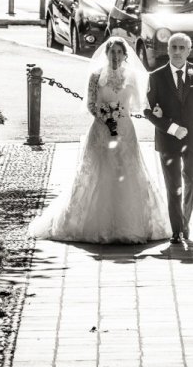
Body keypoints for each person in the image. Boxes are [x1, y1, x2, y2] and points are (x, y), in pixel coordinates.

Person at [28, 37, 172, 244]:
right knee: (100, 172)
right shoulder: (96, 76)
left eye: (119, 52)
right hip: (101, 131)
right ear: (106, 54)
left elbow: (137, 105)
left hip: (125, 130)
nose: (115, 56)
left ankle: (130, 224)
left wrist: (124, 113)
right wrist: (105, 116)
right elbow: (90, 104)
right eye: (111, 52)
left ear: (125, 55)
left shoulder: (131, 76)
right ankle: (95, 224)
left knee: (127, 170)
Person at [144, 33, 193, 244]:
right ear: (167, 50)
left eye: (181, 48)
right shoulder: (156, 76)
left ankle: (185, 219)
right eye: (173, 47)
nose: (177, 52)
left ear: (188, 51)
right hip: (168, 140)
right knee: (173, 185)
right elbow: (148, 111)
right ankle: (177, 230)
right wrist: (172, 128)